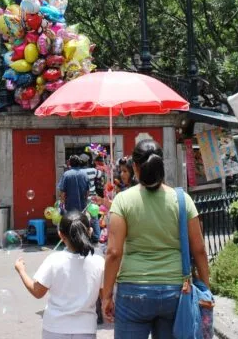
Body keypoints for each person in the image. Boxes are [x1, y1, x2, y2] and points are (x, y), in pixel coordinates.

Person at [101, 140, 211, 337]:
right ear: (161, 164)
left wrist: (107, 294)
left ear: (135, 167)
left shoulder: (122, 201)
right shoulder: (182, 199)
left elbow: (114, 252)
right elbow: (200, 250)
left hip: (133, 292)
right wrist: (206, 289)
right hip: (175, 291)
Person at [15, 210, 104, 339]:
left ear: (61, 235)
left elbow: (37, 291)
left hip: (55, 329)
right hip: (86, 329)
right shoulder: (99, 261)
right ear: (90, 231)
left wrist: (21, 271)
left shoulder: (54, 260)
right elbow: (105, 295)